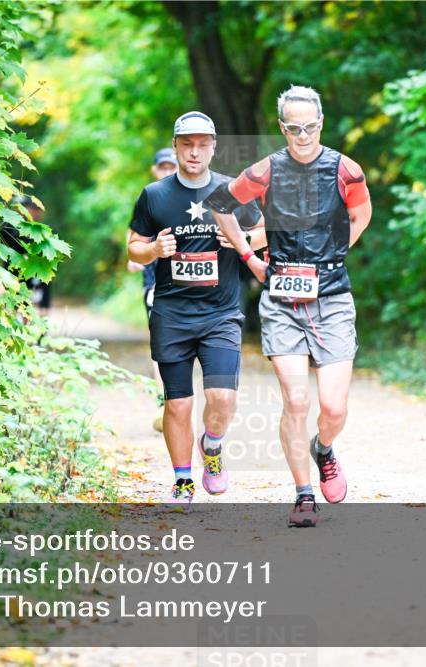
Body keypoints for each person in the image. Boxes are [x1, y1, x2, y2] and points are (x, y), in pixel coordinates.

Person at [207, 85, 372, 527]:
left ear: (321, 123)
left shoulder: (345, 169)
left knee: (333, 408)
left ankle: (324, 449)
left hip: (333, 298)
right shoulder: (265, 171)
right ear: (282, 128)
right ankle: (303, 494)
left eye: (310, 127)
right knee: (296, 400)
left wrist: (338, 251)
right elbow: (220, 205)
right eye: (294, 128)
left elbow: (361, 214)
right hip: (281, 302)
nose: (303, 135)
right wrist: (248, 257)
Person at [127, 112, 265, 506]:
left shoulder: (231, 190)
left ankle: (213, 446)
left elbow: (264, 230)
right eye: (186, 143)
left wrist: (240, 240)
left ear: (213, 147)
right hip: (171, 313)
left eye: (202, 143)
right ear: (175, 146)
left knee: (222, 398)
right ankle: (183, 480)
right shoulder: (154, 195)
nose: (194, 151)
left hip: (220, 313)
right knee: (178, 403)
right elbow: (134, 245)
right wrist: (154, 249)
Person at [127, 148, 178, 432]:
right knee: (162, 344)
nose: (168, 171)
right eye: (163, 167)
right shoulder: (149, 199)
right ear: (155, 170)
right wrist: (140, 256)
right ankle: (164, 401)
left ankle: (181, 401)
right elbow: (133, 242)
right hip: (156, 286)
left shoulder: (192, 198)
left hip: (190, 289)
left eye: (172, 165)